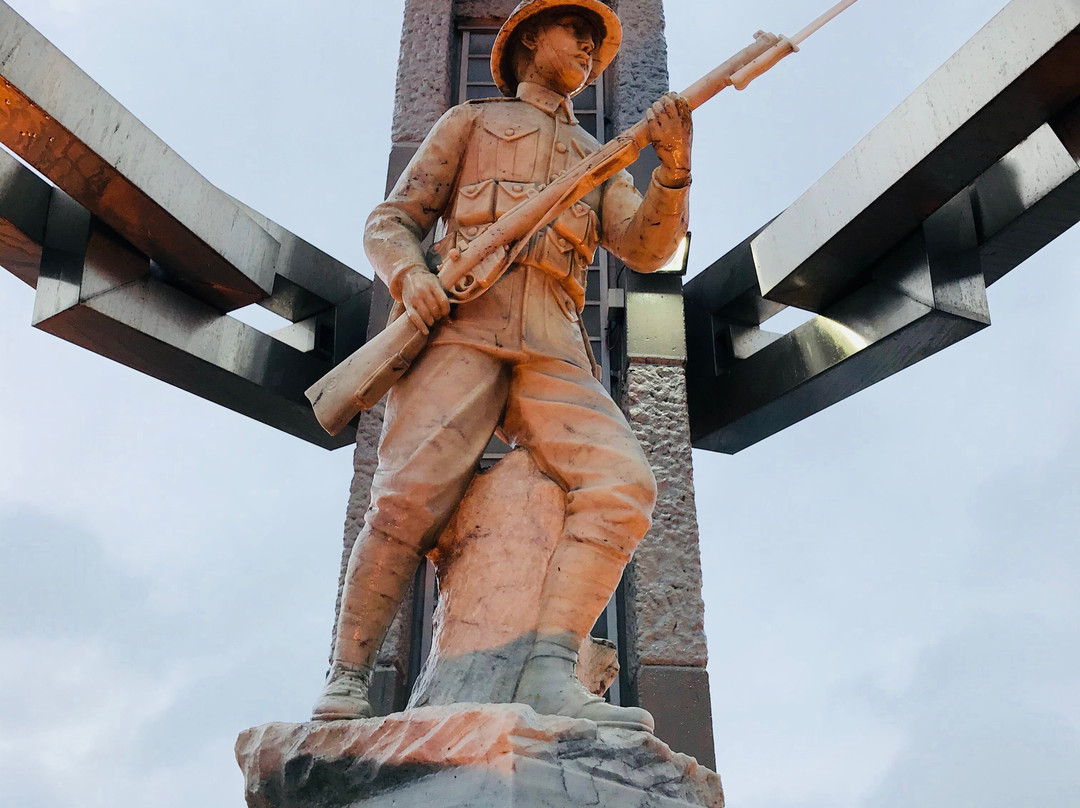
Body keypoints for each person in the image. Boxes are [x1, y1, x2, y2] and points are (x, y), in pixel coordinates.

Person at [313, 0, 692, 733]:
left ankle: (550, 671)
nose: (588, 48)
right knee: (404, 500)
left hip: (554, 339)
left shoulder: (598, 154)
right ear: (529, 39)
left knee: (624, 486)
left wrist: (673, 172)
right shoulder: (469, 123)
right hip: (462, 328)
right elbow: (392, 221)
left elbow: (646, 249)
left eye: (596, 41)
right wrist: (410, 277)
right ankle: (348, 676)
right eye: (575, 31)